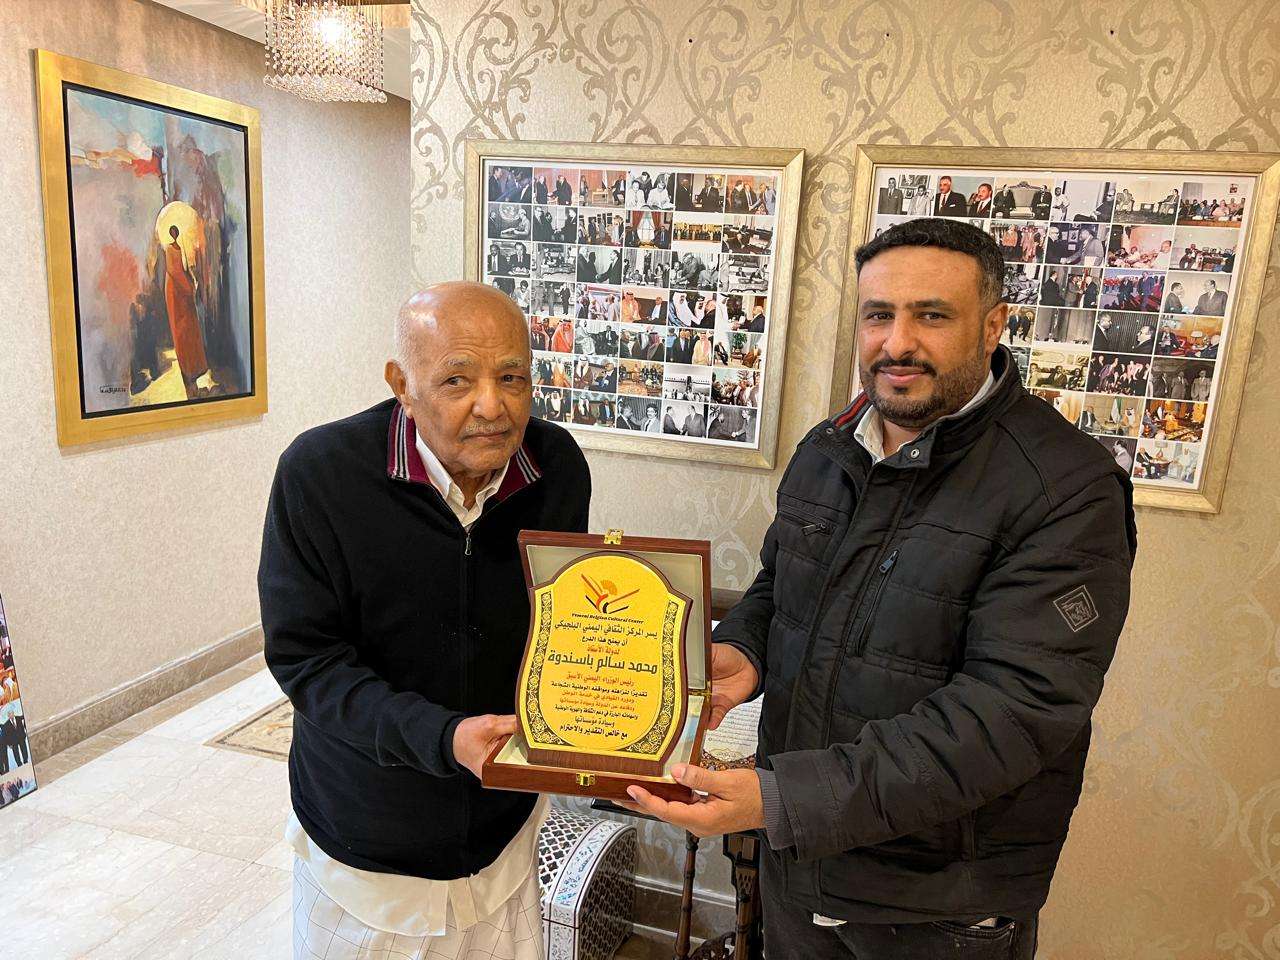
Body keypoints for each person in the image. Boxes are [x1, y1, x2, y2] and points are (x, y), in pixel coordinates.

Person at [621, 218, 1136, 960]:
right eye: (878, 315)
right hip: (799, 866)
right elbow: (781, 583)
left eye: (932, 315)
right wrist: (745, 649)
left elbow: (1013, 712)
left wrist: (785, 798)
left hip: (935, 907)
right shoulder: (830, 446)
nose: (897, 343)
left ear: (993, 326)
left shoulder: (1066, 489)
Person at [261, 282, 591, 960]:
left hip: (503, 831)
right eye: (457, 380)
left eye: (512, 378)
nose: (492, 406)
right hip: (368, 844)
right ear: (402, 386)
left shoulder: (557, 468)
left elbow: (563, 629)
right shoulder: (320, 475)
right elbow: (308, 662)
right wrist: (444, 738)